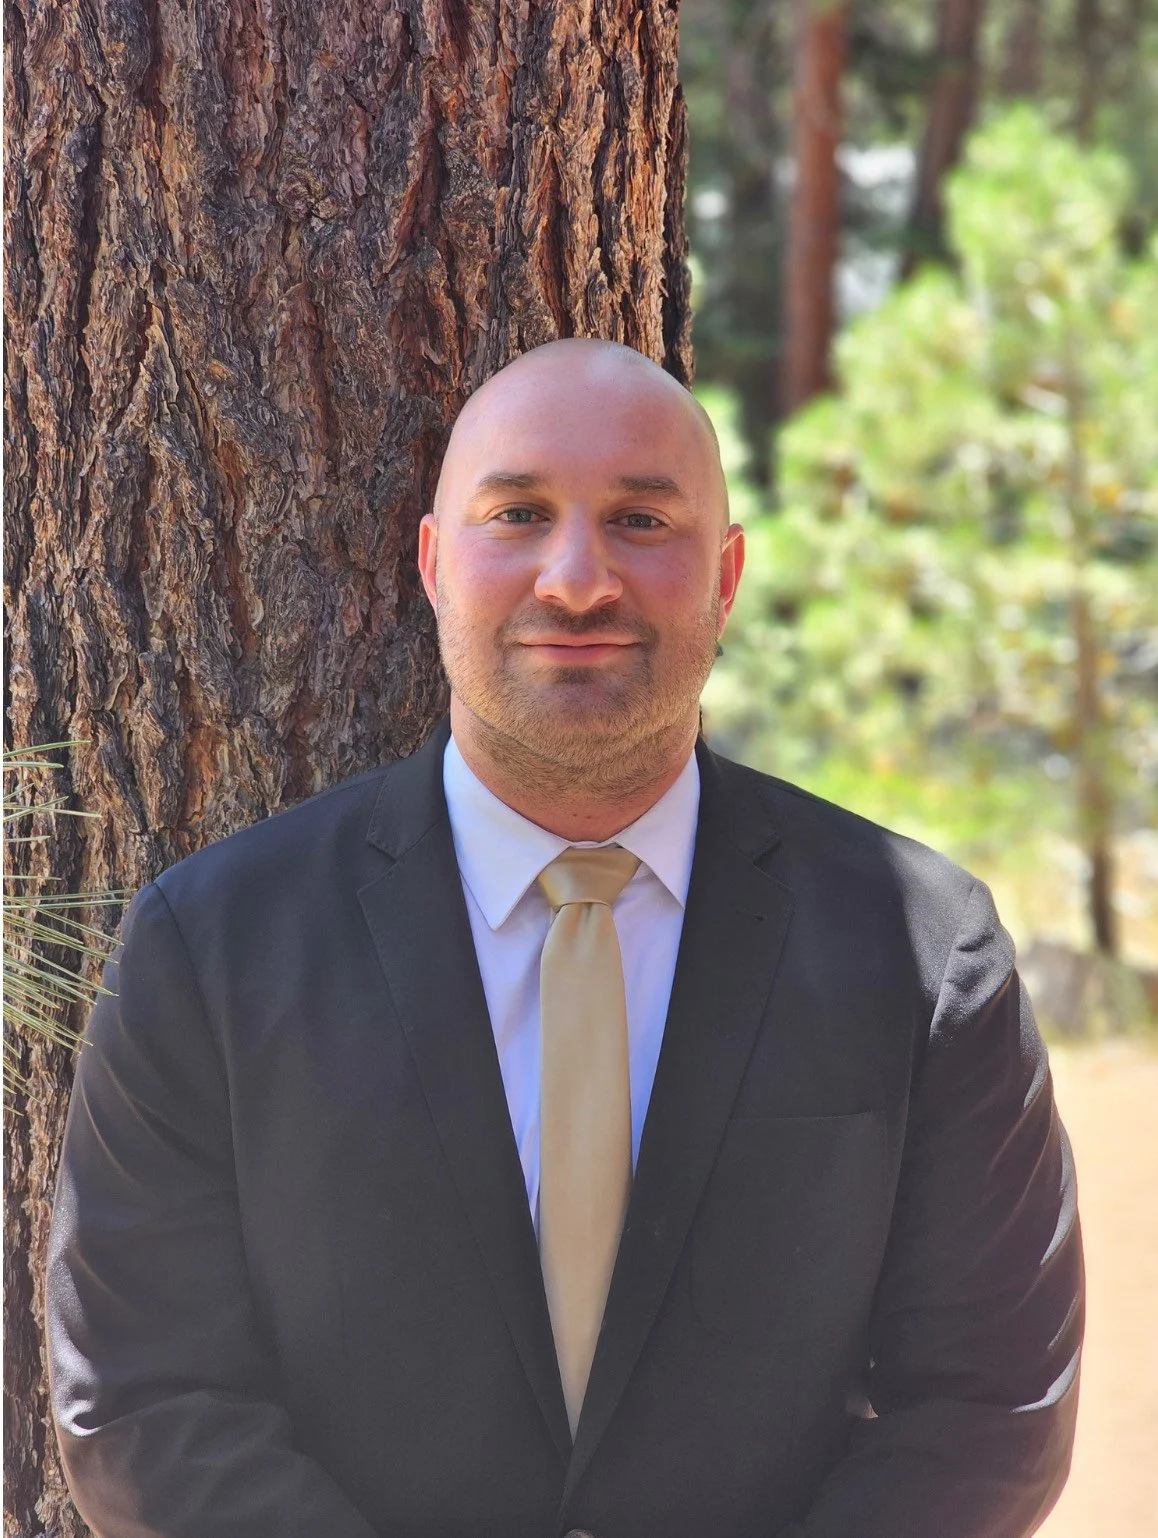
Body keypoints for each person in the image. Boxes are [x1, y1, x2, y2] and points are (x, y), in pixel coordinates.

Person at [47, 338, 1083, 1538]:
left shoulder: (924, 955)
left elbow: (991, 1406)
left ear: (728, 575)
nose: (578, 579)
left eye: (642, 519)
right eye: (519, 512)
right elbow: (142, 1401)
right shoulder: (210, 947)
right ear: (435, 564)